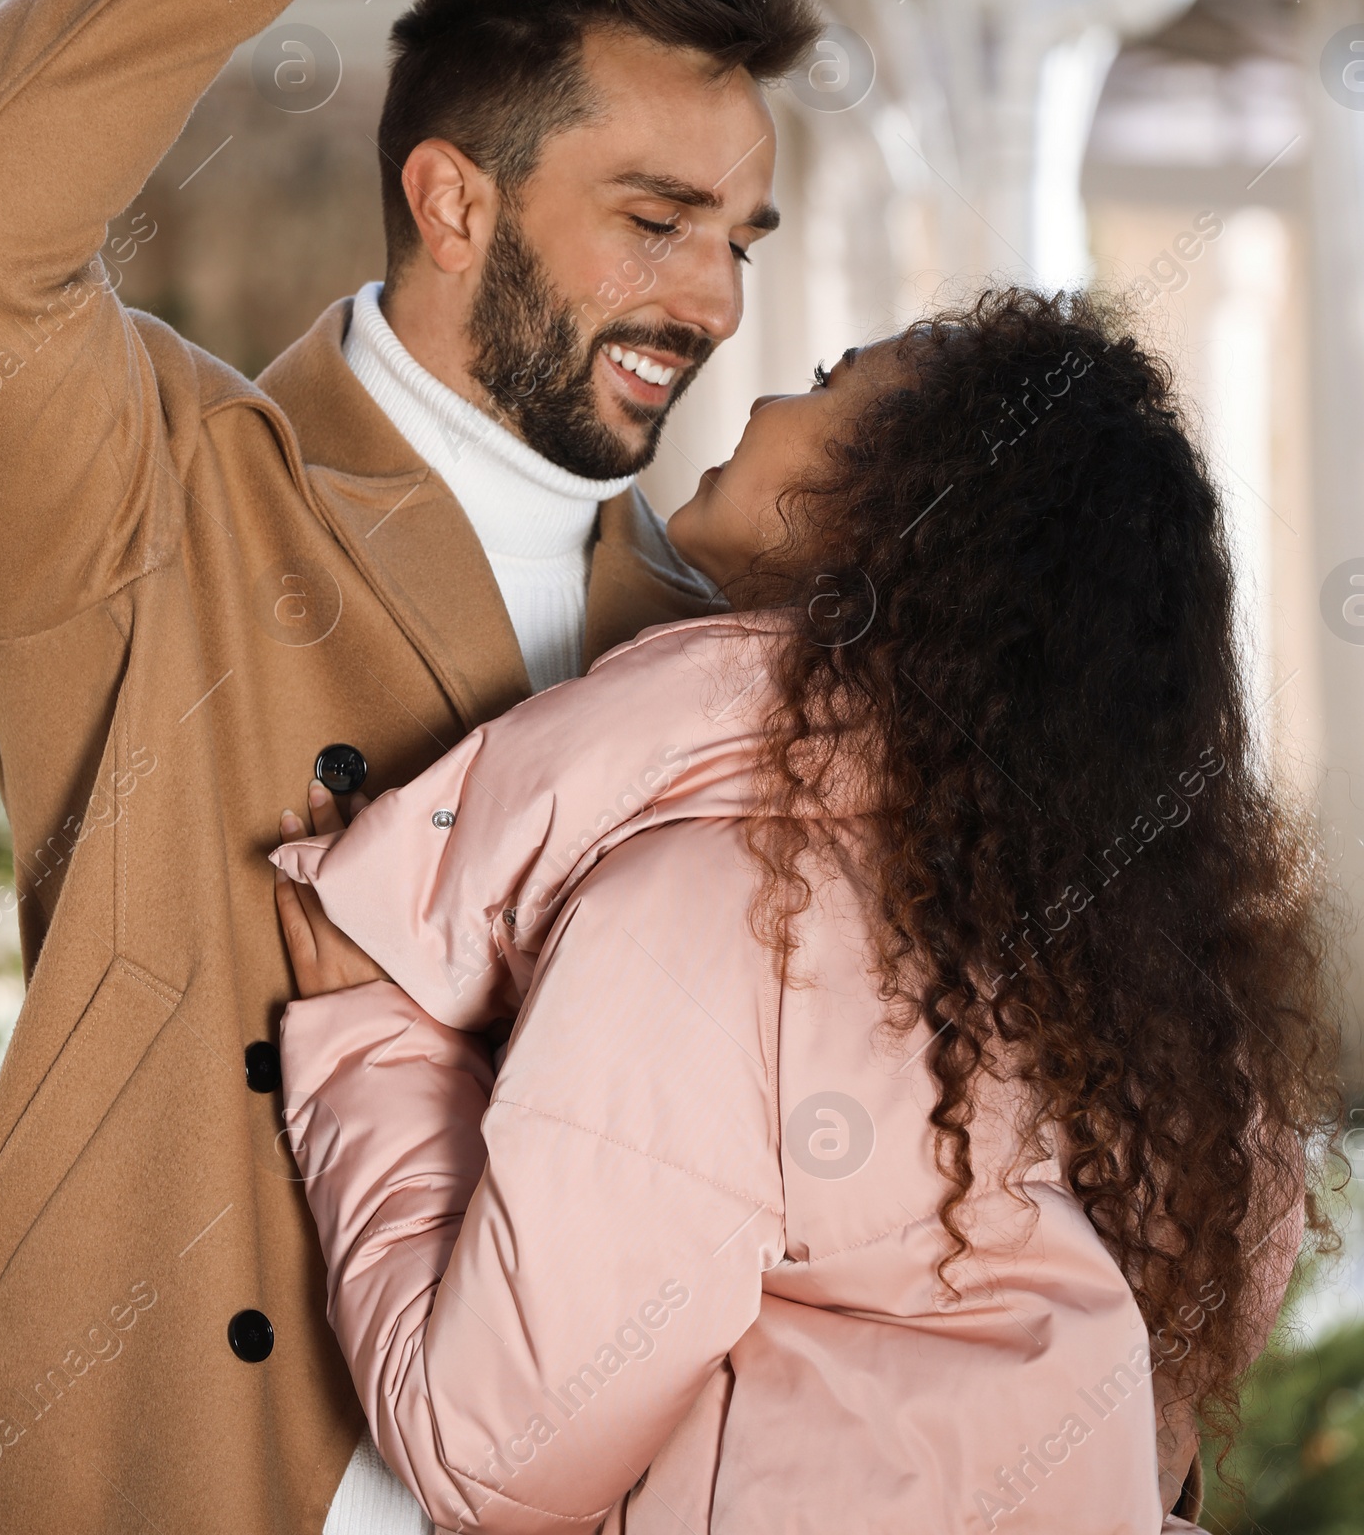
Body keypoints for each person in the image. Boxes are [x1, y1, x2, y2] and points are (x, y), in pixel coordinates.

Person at [0, 0, 819, 1535]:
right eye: (652, 218)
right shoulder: (175, 501)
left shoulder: (722, 639)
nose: (709, 299)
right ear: (449, 196)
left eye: (738, 236)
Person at [274, 290, 1337, 1534]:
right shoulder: (1155, 989)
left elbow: (492, 1451)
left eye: (830, 380)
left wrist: (372, 1038)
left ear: (905, 510)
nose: (773, 392)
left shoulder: (723, 920)